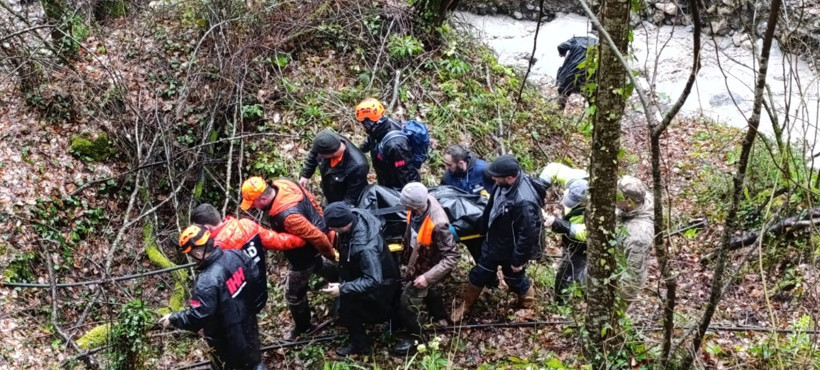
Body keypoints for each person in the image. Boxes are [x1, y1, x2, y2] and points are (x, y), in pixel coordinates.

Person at [239, 176, 338, 340]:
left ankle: (305, 327)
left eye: (254, 203)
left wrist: (330, 253)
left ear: (262, 198)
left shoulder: (288, 216)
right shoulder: (283, 183)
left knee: (293, 295)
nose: (253, 208)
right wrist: (321, 220)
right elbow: (311, 199)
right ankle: (339, 276)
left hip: (303, 257)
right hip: (311, 249)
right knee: (318, 264)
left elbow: (316, 236)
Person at [451, 155, 545, 323]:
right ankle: (465, 305)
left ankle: (528, 306)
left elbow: (528, 234)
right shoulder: (503, 184)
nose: (492, 178)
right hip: (495, 240)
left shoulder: (524, 202)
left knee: (515, 279)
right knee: (480, 273)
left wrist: (518, 260)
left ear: (509, 178)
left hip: (511, 248)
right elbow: (491, 206)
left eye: (496, 176)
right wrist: (482, 227)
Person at [158, 225, 266, 370]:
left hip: (225, 339)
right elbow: (255, 275)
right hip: (249, 326)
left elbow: (198, 316)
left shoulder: (206, 282)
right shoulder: (235, 254)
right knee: (254, 363)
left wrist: (173, 318)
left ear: (197, 252)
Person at [190, 203, 306, 313]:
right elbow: (277, 240)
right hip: (261, 291)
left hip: (242, 303)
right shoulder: (246, 224)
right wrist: (304, 239)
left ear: (206, 227)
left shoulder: (216, 249)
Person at [320, 202, 401, 356]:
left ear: (342, 226)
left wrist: (342, 289)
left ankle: (360, 345)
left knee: (347, 308)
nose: (330, 230)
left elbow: (373, 281)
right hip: (382, 275)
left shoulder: (364, 247)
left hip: (382, 287)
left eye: (332, 228)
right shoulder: (357, 215)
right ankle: (395, 321)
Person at [392, 182, 460, 355]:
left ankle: (416, 338)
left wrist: (427, 277)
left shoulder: (438, 224)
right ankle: (439, 316)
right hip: (420, 258)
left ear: (415, 206)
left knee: (407, 302)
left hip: (430, 266)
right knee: (431, 291)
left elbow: (452, 256)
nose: (404, 208)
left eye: (405, 205)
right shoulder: (420, 202)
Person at [355, 97, 420, 189]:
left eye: (362, 123)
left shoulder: (396, 145)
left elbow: (406, 175)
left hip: (398, 188)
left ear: (368, 123)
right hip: (386, 180)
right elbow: (367, 144)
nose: (361, 126)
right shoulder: (377, 129)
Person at [544, 178, 589, 304]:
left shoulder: (593, 212)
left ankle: (560, 305)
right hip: (570, 241)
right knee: (581, 272)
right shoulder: (576, 183)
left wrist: (557, 223)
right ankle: (586, 295)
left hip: (581, 246)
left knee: (565, 275)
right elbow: (554, 169)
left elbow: (586, 233)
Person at [298, 129, 370, 205]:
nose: (318, 155)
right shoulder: (329, 141)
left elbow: (351, 198)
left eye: (321, 155)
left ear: (329, 153)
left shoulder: (358, 167)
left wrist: (336, 211)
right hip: (329, 192)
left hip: (345, 201)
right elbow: (314, 153)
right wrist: (305, 174)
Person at [616, 176, 654, 304]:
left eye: (616, 196)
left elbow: (633, 278)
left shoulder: (638, 237)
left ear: (628, 202)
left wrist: (615, 299)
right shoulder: (641, 198)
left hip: (622, 282)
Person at [555, 36, 598, 110]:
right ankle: (593, 119)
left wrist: (562, 54)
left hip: (570, 75)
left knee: (563, 94)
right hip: (587, 77)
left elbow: (561, 46)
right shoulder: (598, 45)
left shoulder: (576, 40)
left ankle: (557, 114)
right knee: (591, 99)